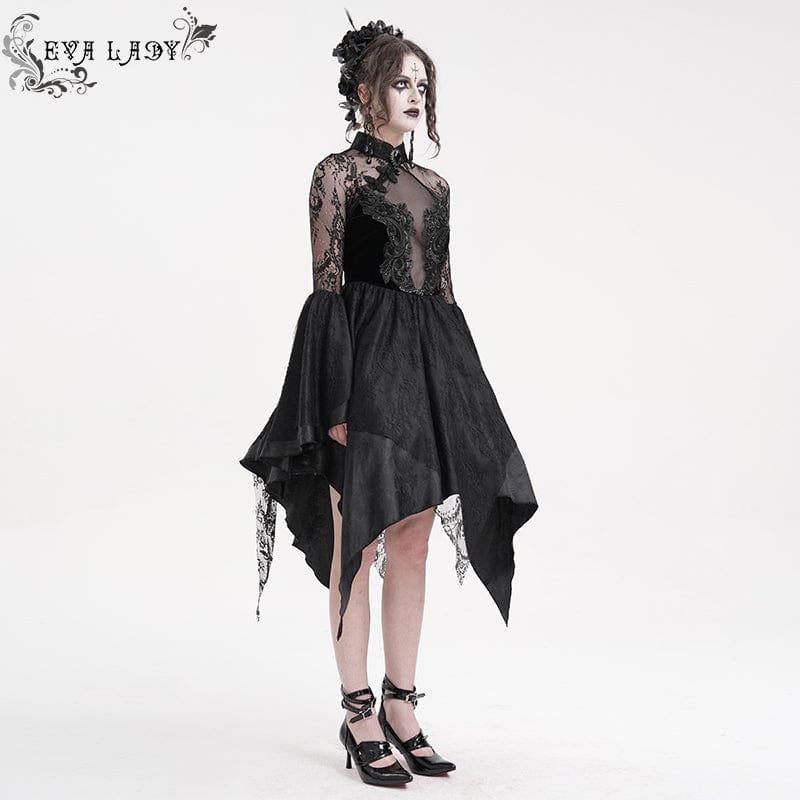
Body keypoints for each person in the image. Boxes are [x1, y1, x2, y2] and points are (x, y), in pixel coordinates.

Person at [239, 12, 538, 786]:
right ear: (366, 92)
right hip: (361, 369)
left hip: (426, 372)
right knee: (358, 545)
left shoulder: (437, 187)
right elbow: (327, 289)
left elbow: (442, 296)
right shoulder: (336, 174)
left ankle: (404, 706)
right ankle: (358, 712)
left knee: (411, 544)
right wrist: (334, 398)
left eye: (423, 85)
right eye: (401, 82)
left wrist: (463, 399)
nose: (415, 95)